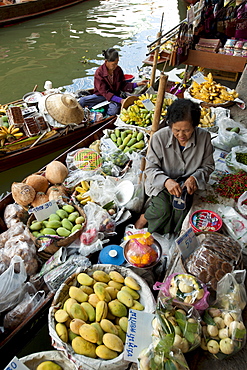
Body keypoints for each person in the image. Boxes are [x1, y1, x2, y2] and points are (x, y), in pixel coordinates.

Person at [135, 98, 215, 236]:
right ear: (170, 125)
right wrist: (166, 181)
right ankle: (145, 220)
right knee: (162, 210)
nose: (181, 135)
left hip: (186, 185)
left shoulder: (204, 137)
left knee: (181, 211)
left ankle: (169, 237)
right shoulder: (159, 137)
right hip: (161, 182)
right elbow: (151, 168)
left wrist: (194, 178)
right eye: (176, 130)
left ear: (195, 126)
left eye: (187, 130)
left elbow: (208, 166)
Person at [79, 48, 148, 116]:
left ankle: (105, 111)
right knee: (82, 101)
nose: (116, 66)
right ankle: (103, 108)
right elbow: (104, 92)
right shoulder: (99, 72)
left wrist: (137, 84)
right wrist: (121, 100)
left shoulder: (118, 70)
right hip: (101, 96)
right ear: (106, 61)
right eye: (114, 64)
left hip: (114, 96)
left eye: (117, 63)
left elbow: (123, 85)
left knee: (114, 111)